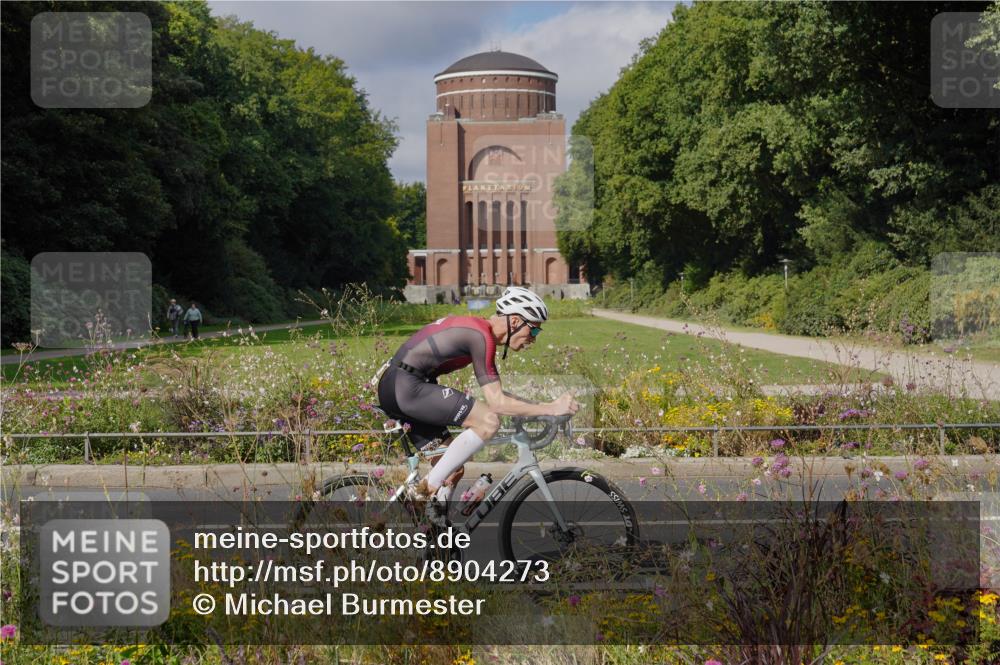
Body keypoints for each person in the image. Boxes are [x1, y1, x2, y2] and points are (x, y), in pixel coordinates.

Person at [375, 286, 578, 525]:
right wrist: (551, 409)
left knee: (452, 469)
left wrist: (543, 406)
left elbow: (499, 395)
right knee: (488, 421)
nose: (533, 338)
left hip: (400, 386)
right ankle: (420, 494)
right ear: (515, 321)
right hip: (406, 386)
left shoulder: (479, 332)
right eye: (533, 329)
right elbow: (497, 403)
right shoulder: (480, 336)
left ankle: (433, 533)